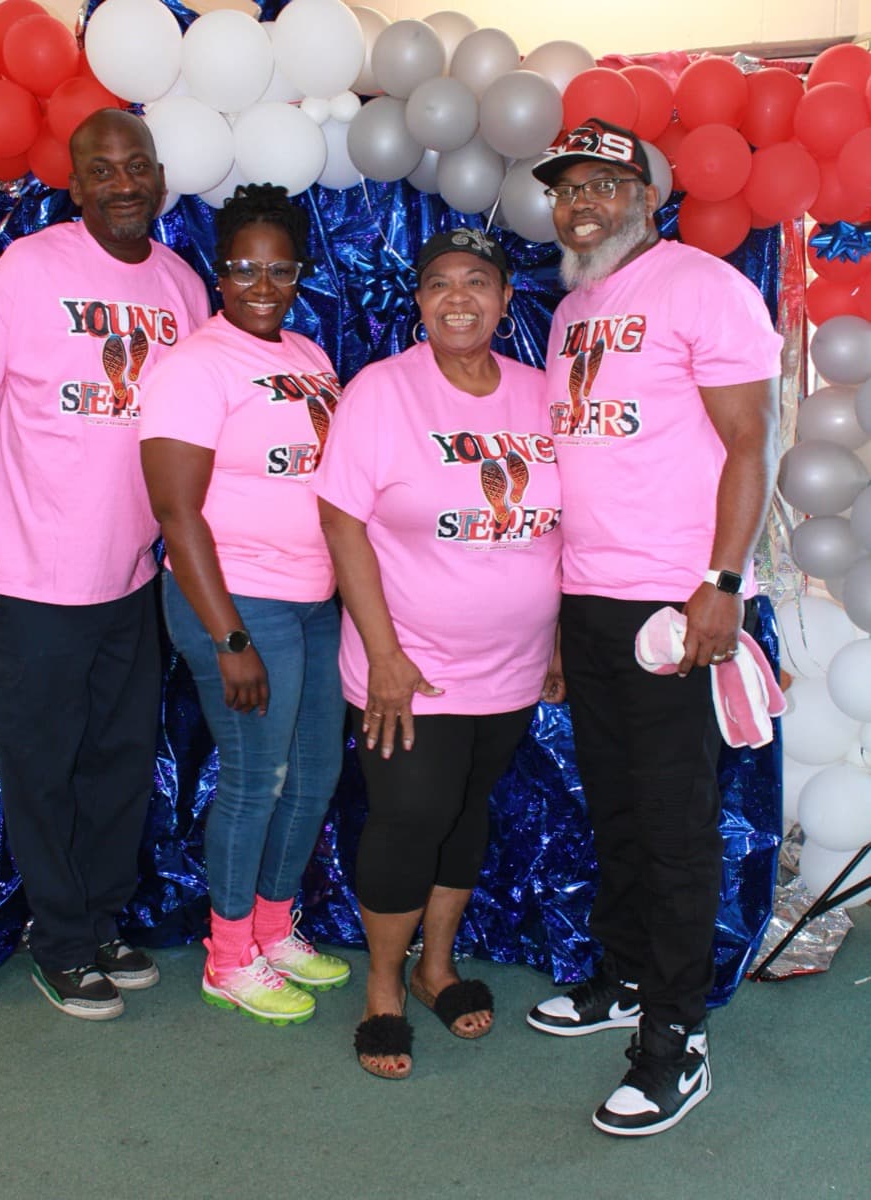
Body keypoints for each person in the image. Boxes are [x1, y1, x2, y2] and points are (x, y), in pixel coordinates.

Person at [525, 118, 782, 1135]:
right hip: (590, 603)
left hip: (677, 605)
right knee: (619, 809)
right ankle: (628, 978)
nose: (580, 201)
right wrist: (556, 613)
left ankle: (677, 1036)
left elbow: (749, 446)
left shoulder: (703, 286)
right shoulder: (570, 309)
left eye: (601, 184)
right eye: (566, 187)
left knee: (676, 828)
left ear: (648, 196)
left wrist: (720, 582)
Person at [0, 109, 210, 1021]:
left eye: (136, 167)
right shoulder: (30, 269)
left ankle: (95, 919)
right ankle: (57, 941)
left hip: (133, 577)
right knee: (43, 766)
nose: (122, 184)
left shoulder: (181, 286)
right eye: (102, 170)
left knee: (119, 761)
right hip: (29, 578)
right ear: (76, 183)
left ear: (159, 176)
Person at [315, 228, 564, 1079]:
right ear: (418, 303)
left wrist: (557, 637)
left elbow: (567, 526)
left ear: (503, 300)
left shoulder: (540, 395)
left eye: (477, 282)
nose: (458, 297)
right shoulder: (382, 392)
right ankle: (382, 987)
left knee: (467, 815)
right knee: (410, 819)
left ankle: (435, 968)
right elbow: (341, 521)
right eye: (439, 284)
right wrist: (381, 654)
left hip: (513, 664)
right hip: (408, 665)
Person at [139, 183, 350, 1027]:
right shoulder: (193, 365)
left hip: (312, 599)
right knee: (255, 780)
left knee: (317, 776)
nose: (262, 285)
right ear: (218, 272)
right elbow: (175, 513)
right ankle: (228, 956)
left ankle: (271, 926)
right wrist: (228, 638)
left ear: (298, 271)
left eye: (279, 269)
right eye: (243, 269)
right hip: (234, 602)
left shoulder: (307, 355)